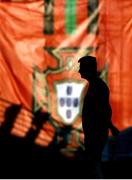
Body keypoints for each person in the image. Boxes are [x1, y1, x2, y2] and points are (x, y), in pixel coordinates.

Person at [78, 56, 119, 178]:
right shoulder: (95, 86)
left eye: (82, 68)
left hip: (96, 133)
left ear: (89, 69)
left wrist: (110, 126)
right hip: (93, 133)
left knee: (94, 165)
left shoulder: (98, 87)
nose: (79, 71)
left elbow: (104, 110)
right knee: (93, 164)